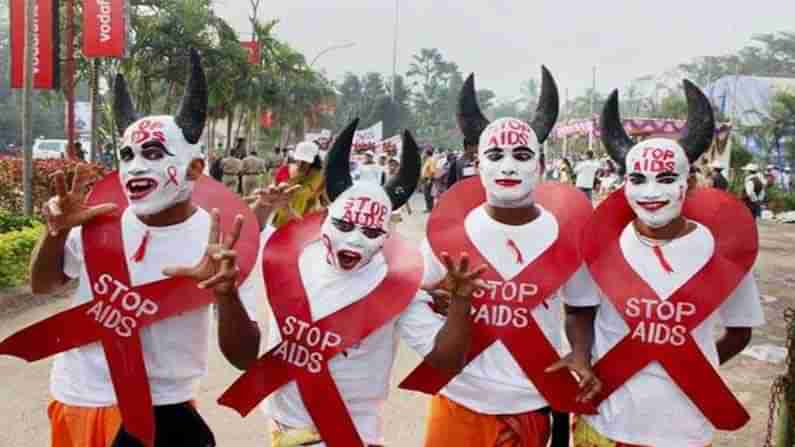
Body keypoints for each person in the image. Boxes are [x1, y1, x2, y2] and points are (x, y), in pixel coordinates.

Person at [15, 50, 263, 447]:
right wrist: (56, 231)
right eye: (127, 156)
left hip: (162, 412)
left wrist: (226, 291)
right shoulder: (99, 218)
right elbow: (43, 286)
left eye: (152, 155)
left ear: (194, 169)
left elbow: (245, 358)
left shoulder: (222, 242)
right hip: (76, 398)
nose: (135, 169)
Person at [218, 119, 486, 447]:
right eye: (344, 225)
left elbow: (446, 361)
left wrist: (461, 302)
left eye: (371, 232)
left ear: (387, 235)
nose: (355, 241)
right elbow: (246, 245)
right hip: (281, 432)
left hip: (351, 436)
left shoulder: (398, 287)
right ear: (324, 220)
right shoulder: (288, 253)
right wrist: (258, 215)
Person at [400, 70, 601, 447]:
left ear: (540, 164)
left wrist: (578, 351)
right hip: (458, 401)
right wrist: (444, 311)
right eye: (496, 155)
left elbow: (580, 306)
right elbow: (414, 297)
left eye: (522, 155)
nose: (509, 166)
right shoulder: (448, 233)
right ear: (479, 162)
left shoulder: (568, 234)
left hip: (530, 403)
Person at [574, 80, 764, 447]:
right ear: (623, 184)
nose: (651, 193)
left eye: (665, 179)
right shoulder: (600, 245)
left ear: (689, 183)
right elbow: (579, 310)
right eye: (638, 180)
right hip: (605, 426)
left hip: (684, 432)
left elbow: (740, 333)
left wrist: (687, 364)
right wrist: (582, 355)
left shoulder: (724, 251)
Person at [270, 141, 325, 228]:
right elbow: (275, 188)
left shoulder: (317, 176)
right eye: (300, 160)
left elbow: (306, 193)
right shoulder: (285, 169)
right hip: (280, 218)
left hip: (299, 219)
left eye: (305, 161)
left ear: (314, 160)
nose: (301, 163)